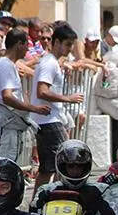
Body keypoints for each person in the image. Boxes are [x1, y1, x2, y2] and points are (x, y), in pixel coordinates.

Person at [30, 24, 84, 188]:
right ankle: (59, 198)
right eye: (67, 44)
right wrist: (67, 98)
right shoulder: (49, 64)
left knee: (48, 168)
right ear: (57, 42)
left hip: (47, 120)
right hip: (49, 121)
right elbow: (42, 91)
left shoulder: (51, 62)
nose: (70, 49)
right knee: (67, 162)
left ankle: (37, 203)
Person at [0, 28, 50, 163]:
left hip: (2, 127)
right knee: (3, 167)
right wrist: (34, 108)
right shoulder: (6, 66)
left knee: (5, 166)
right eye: (26, 45)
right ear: (19, 44)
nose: (27, 49)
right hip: (5, 129)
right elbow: (7, 97)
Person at [30, 139, 117, 215]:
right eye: (71, 167)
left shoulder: (101, 190)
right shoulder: (46, 190)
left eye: (79, 167)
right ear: (62, 166)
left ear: (86, 166)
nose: (75, 171)